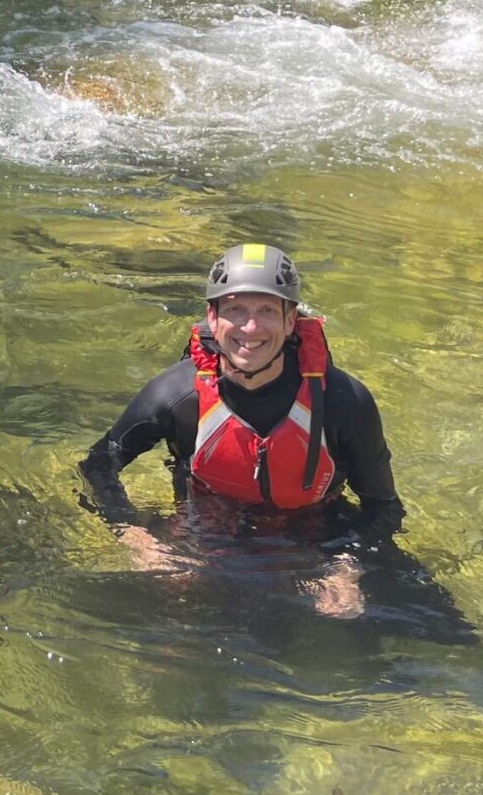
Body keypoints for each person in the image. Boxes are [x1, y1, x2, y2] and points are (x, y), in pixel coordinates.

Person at [80, 243, 402, 619]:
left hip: (318, 538)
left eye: (267, 310)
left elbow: (383, 507)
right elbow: (98, 467)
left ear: (290, 320)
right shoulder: (176, 395)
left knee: (437, 635)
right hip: (208, 533)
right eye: (235, 309)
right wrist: (137, 538)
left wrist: (346, 569)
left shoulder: (344, 401)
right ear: (212, 318)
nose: (250, 327)